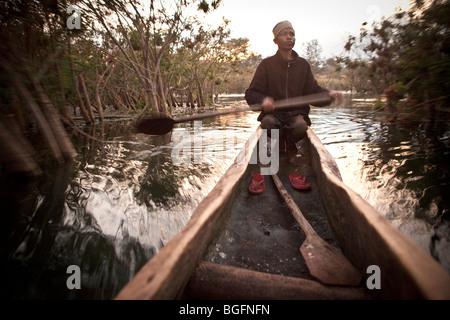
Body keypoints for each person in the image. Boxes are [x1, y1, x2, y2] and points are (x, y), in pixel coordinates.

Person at [245, 20, 342, 194]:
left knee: (300, 126)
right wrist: (263, 100)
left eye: (292, 34)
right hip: (274, 114)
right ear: (275, 40)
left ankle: (290, 149)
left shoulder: (303, 65)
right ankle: (269, 158)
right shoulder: (266, 65)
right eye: (284, 34)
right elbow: (251, 93)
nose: (289, 37)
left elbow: (313, 91)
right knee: (268, 124)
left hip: (295, 114)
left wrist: (329, 95)